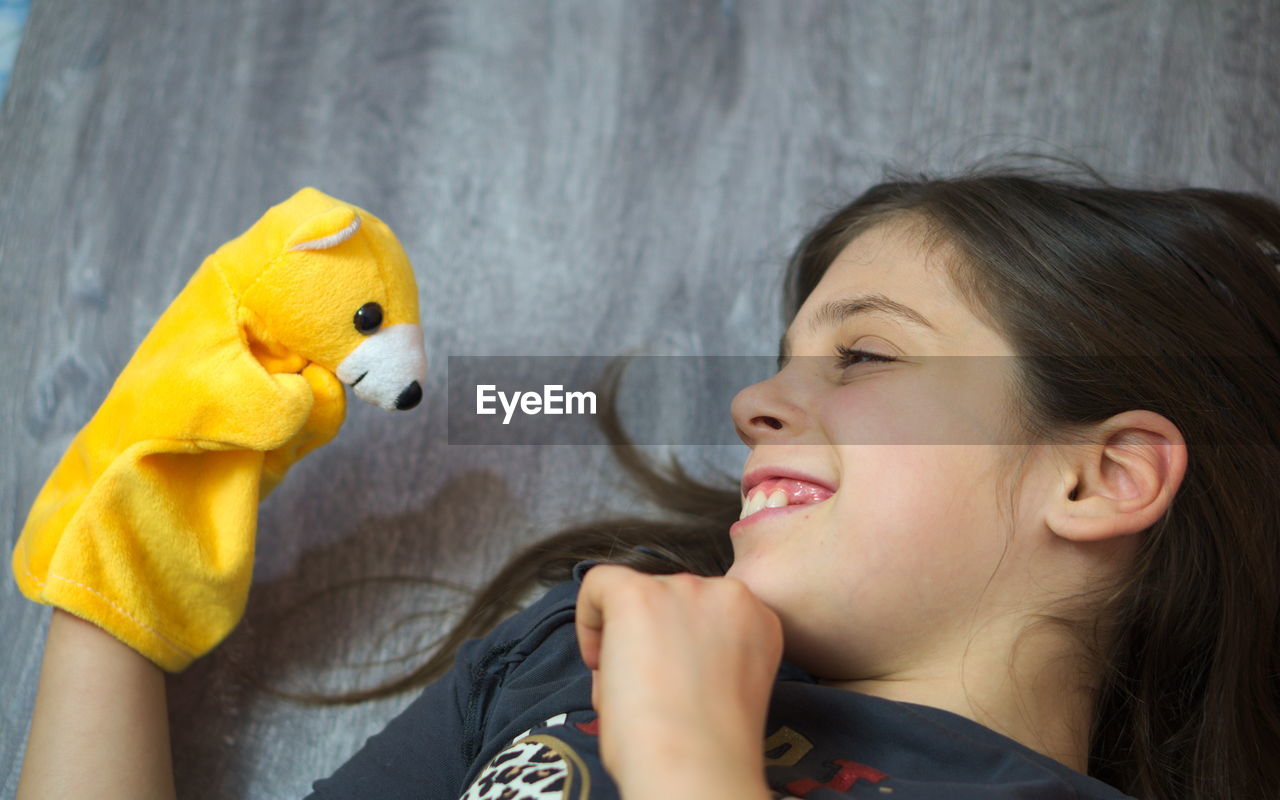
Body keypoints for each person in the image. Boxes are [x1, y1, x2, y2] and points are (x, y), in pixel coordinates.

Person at [16, 157, 1280, 799]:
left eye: (868, 353)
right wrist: (121, 573)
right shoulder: (566, 646)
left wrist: (683, 747)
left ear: (1098, 477)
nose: (754, 403)